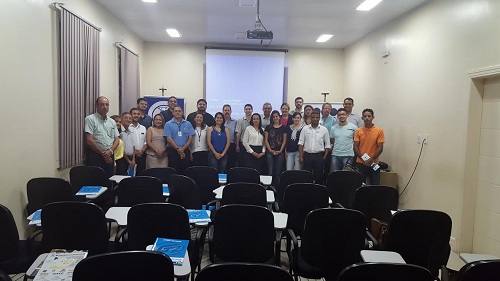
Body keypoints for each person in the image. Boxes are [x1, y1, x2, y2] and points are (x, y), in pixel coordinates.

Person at [84, 96, 120, 177]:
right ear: (97, 106)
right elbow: (89, 140)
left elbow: (117, 139)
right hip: (96, 155)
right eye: (102, 105)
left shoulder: (112, 122)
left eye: (107, 105)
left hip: (110, 154)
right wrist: (103, 154)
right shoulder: (90, 119)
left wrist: (110, 152)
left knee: (109, 179)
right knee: (97, 180)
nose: (105, 107)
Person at [298, 110, 331, 184]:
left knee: (319, 177)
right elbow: (300, 143)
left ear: (319, 118)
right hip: (307, 156)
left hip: (319, 156)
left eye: (317, 117)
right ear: (310, 118)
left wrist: (324, 158)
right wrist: (301, 157)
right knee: (306, 176)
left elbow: (327, 145)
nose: (315, 119)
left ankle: (318, 193)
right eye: (313, 117)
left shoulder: (324, 130)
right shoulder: (305, 129)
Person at [353, 108, 385, 185]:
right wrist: (364, 159)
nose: (367, 118)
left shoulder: (379, 131)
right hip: (360, 163)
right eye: (365, 116)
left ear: (373, 117)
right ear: (362, 118)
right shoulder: (358, 131)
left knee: (375, 185)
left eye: (369, 116)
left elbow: (380, 148)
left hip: (374, 163)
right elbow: (355, 146)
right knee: (359, 185)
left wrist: (371, 159)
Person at [164, 106, 195, 174]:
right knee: (174, 171)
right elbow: (169, 139)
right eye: (176, 111)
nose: (177, 112)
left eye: (179, 111)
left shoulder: (188, 124)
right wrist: (179, 149)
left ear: (182, 113)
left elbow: (190, 138)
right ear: (173, 113)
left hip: (185, 151)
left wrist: (182, 149)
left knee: (185, 171)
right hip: (173, 151)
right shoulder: (168, 124)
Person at [264, 110, 287, 185]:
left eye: (276, 116)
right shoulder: (268, 127)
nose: (275, 118)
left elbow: (284, 141)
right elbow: (266, 140)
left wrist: (280, 150)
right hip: (269, 152)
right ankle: (268, 187)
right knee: (270, 171)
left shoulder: (283, 128)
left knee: (277, 172)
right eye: (273, 117)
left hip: (280, 152)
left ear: (279, 117)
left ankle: (276, 189)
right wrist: (270, 150)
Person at [130, 108, 147, 175]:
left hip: (141, 156)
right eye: (134, 114)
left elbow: (146, 142)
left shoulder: (143, 128)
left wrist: (142, 150)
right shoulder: (127, 127)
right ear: (131, 115)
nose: (136, 115)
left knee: (140, 176)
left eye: (138, 114)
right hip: (130, 157)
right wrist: (134, 152)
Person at [320, 103, 335, 178]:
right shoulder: (317, 118)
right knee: (318, 167)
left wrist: (331, 146)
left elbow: (334, 134)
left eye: (329, 109)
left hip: (328, 146)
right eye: (325, 108)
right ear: (322, 109)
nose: (327, 110)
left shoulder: (333, 120)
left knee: (326, 166)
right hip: (318, 146)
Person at [223, 104, 237, 171]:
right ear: (223, 111)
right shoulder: (219, 121)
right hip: (221, 145)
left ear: (231, 112)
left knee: (231, 164)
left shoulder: (235, 122)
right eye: (225, 110)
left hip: (231, 145)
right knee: (223, 164)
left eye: (228, 110)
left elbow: (237, 134)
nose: (227, 112)